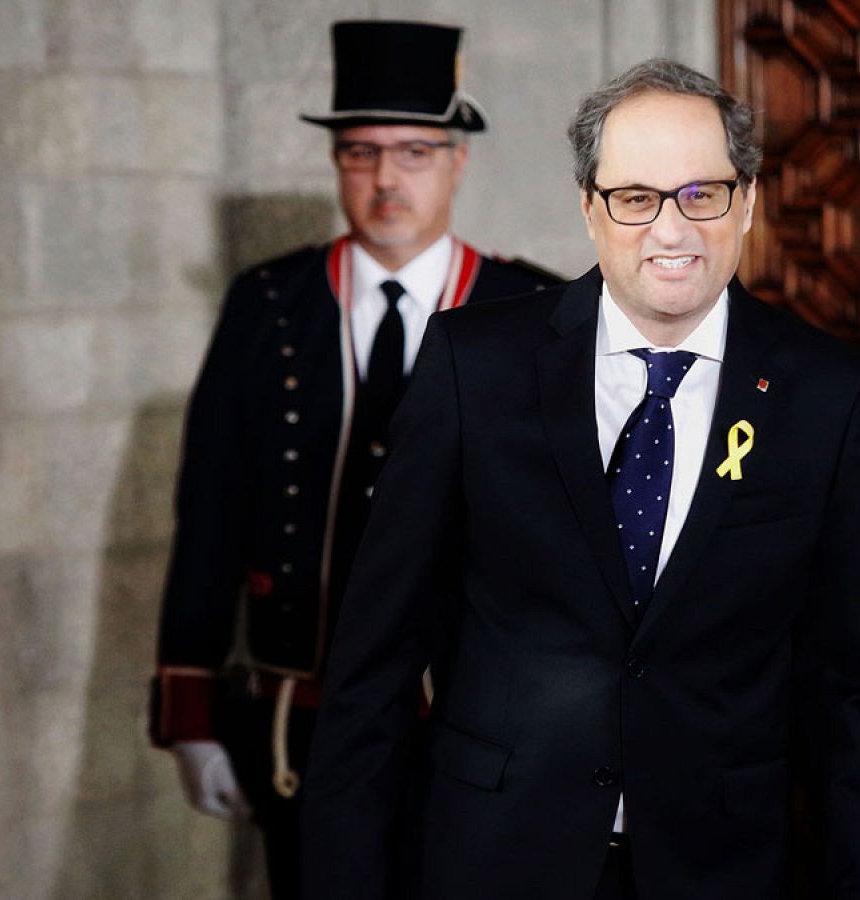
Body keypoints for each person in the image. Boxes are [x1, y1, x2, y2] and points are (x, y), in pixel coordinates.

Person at [298, 58, 860, 900]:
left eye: (703, 194)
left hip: (720, 868)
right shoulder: (474, 367)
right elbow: (374, 664)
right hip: (494, 859)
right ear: (590, 207)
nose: (672, 229)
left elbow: (849, 691)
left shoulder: (825, 394)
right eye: (636, 198)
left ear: (749, 199)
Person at [149, 19, 559, 899]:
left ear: (459, 159)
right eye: (360, 152)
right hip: (305, 716)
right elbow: (211, 512)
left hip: (481, 726)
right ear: (336, 163)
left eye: (414, 152)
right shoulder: (269, 305)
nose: (385, 180)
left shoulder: (533, 309)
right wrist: (190, 708)